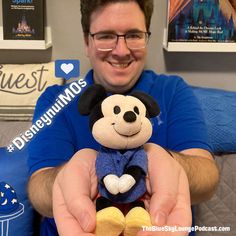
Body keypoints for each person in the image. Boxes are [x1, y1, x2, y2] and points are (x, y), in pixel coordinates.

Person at [27, 0, 219, 235]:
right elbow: (38, 189)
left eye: (134, 35)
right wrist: (79, 171)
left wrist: (159, 160)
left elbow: (207, 178)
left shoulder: (172, 91)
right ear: (87, 41)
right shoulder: (56, 100)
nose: (121, 51)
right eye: (106, 36)